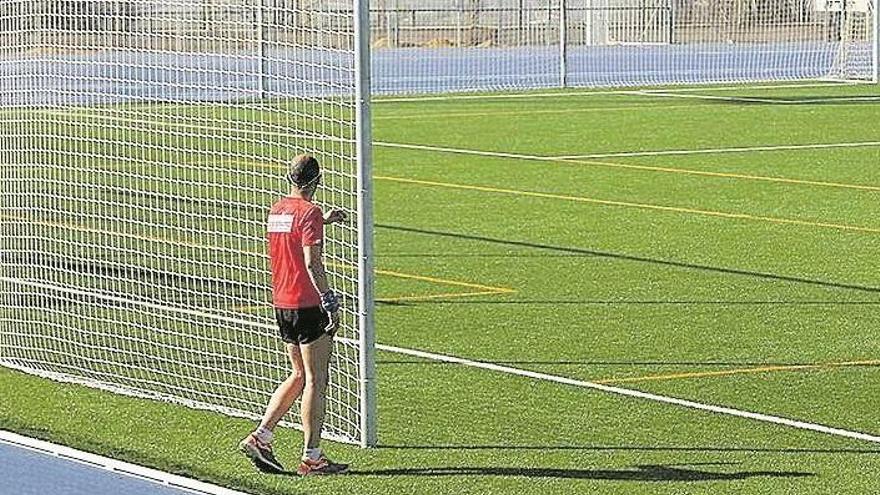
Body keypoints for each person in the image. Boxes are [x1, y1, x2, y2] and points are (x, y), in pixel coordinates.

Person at [239, 154, 349, 476]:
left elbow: (295, 227)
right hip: (307, 303)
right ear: (317, 180)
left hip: (282, 304)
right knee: (316, 378)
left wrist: (323, 219)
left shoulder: (278, 209)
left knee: (299, 374)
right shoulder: (309, 212)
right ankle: (312, 457)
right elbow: (313, 263)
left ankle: (262, 436)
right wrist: (329, 299)